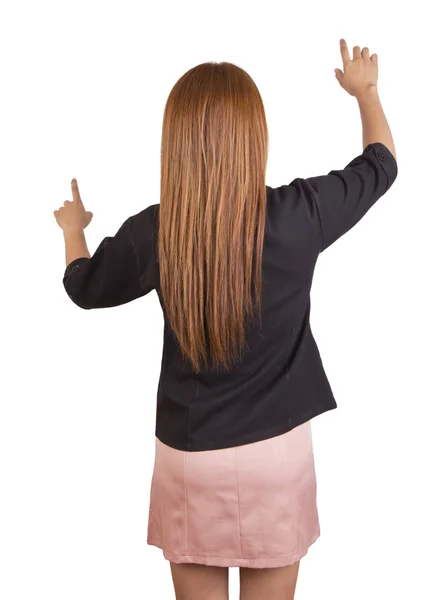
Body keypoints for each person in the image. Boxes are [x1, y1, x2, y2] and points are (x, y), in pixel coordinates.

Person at [54, 39, 397, 600]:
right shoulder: (301, 214)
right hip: (276, 457)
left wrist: (73, 230)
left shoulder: (157, 232)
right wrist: (366, 93)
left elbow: (83, 287)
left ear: (177, 142)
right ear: (255, 137)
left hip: (192, 458)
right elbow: (380, 168)